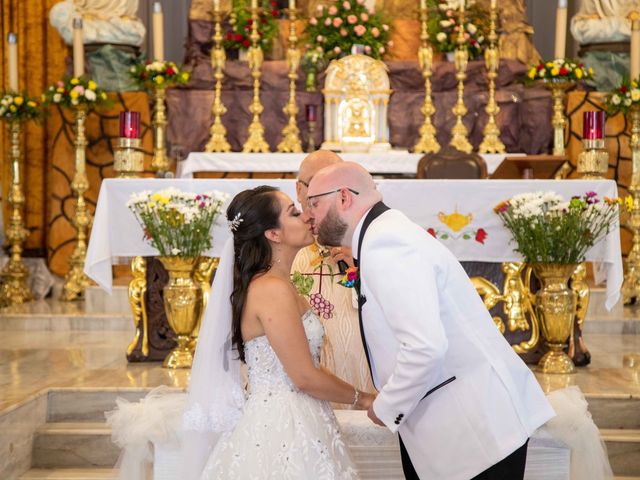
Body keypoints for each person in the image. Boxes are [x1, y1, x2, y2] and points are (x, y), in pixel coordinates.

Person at [306, 162, 556, 480]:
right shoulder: (383, 233)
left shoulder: (386, 245)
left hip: (473, 432)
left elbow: (426, 347)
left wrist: (387, 406)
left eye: (314, 203)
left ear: (344, 198)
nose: (307, 215)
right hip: (466, 426)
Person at [181, 185, 374, 479]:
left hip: (302, 416)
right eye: (294, 213)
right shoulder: (271, 290)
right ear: (273, 234)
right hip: (282, 428)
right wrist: (364, 398)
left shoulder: (278, 284)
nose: (307, 217)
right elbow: (304, 376)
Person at [293, 150, 374, 396]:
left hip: (367, 379)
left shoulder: (371, 240)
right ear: (299, 190)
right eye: (316, 184)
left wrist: (363, 264)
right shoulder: (284, 240)